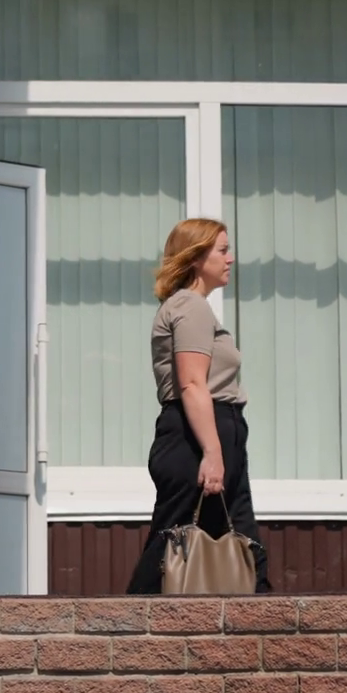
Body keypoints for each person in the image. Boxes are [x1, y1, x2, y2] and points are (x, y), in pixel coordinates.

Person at [125, 217, 271, 595]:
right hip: (195, 437)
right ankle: (126, 626)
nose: (230, 258)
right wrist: (212, 451)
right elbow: (191, 383)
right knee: (171, 549)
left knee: (242, 547)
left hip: (213, 431)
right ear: (195, 258)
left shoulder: (193, 306)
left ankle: (256, 624)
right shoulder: (190, 306)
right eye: (222, 250)